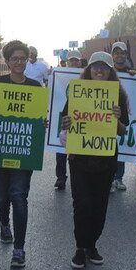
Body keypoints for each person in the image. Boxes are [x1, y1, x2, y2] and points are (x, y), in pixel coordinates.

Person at [60, 51, 129, 269]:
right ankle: (80, 248)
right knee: (82, 203)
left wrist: (117, 118)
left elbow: (122, 132)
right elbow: (64, 123)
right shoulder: (77, 93)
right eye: (95, 66)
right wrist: (67, 123)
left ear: (111, 72)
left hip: (106, 158)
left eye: (105, 67)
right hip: (80, 157)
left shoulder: (118, 96)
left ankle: (92, 245)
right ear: (88, 69)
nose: (99, 70)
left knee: (99, 204)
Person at [0, 40, 42, 268]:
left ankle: (19, 249)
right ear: (7, 62)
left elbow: (38, 118)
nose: (19, 62)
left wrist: (41, 123)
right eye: (14, 59)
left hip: (24, 150)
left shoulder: (36, 87)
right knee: (2, 196)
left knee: (19, 195)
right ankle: (3, 224)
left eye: (22, 58)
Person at [54, 50, 82, 190]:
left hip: (80, 118)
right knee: (60, 148)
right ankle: (61, 177)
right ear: (68, 61)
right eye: (72, 60)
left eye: (77, 60)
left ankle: (78, 179)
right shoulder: (59, 75)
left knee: (76, 151)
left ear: (80, 61)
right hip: (64, 116)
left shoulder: (86, 75)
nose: (74, 62)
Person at [111, 41, 134, 191]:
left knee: (121, 143)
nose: (119, 55)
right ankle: (109, 179)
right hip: (107, 113)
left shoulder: (132, 73)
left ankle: (118, 178)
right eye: (116, 52)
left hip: (123, 113)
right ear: (112, 55)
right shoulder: (107, 71)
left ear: (126, 55)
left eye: (122, 53)